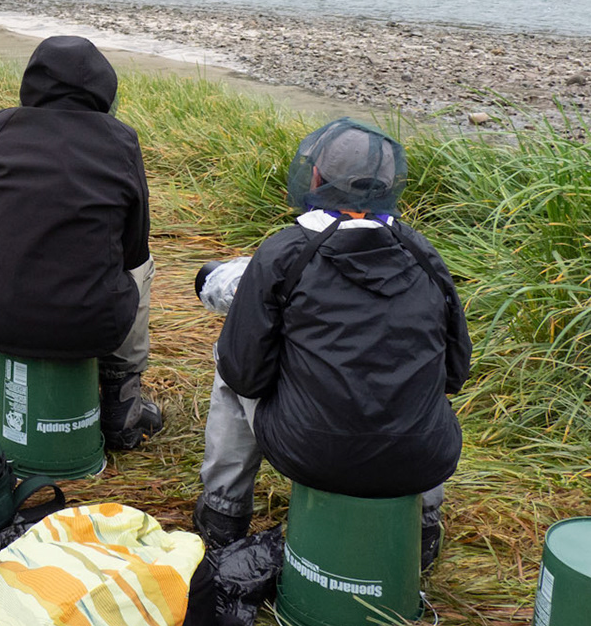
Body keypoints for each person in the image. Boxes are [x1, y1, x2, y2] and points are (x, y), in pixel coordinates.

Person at [193, 118, 471, 568]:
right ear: (388, 186)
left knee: (226, 363)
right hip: (422, 457)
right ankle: (421, 528)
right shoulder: (424, 255)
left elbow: (245, 372)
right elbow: (455, 372)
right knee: (424, 392)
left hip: (312, 453)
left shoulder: (285, 252)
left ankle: (223, 514)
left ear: (316, 178)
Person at [0, 36, 163, 451]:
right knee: (141, 267)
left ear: (32, 82)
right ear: (104, 87)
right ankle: (122, 396)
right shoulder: (122, 139)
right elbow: (134, 248)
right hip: (95, 324)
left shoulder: (0, 127)